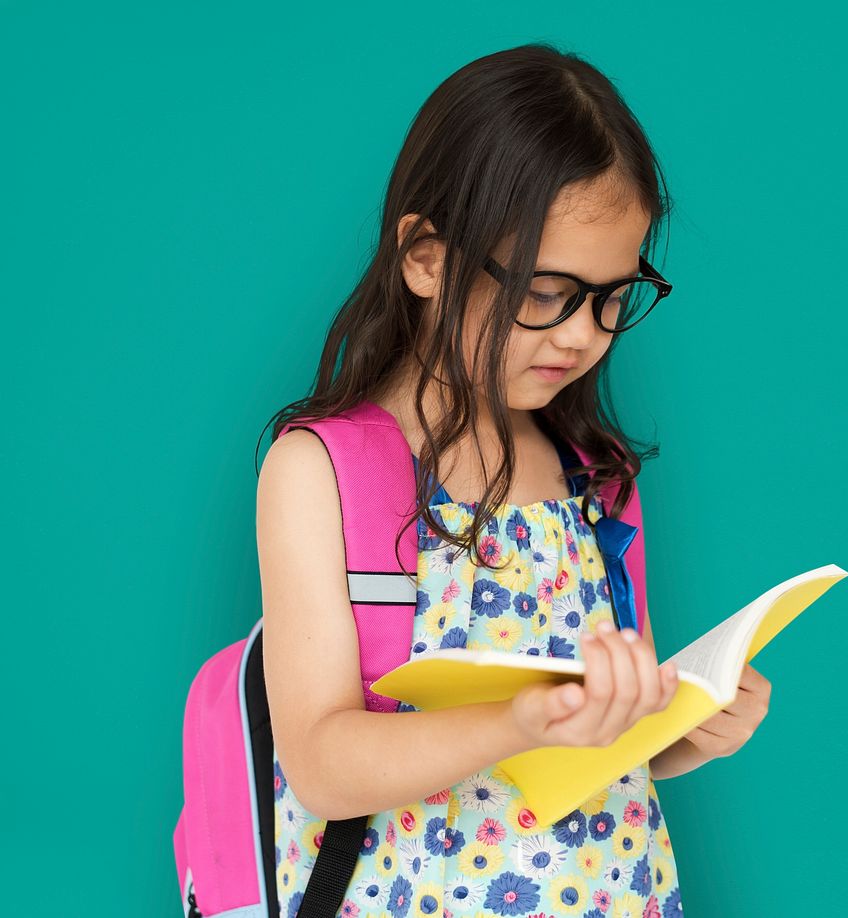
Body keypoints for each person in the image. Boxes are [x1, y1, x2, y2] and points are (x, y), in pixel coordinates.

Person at [256, 43, 770, 918]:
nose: (583, 336)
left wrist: (688, 732)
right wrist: (517, 722)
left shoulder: (595, 483)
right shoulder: (322, 471)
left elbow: (608, 751)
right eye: (546, 292)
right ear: (425, 257)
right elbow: (322, 764)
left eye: (612, 296)